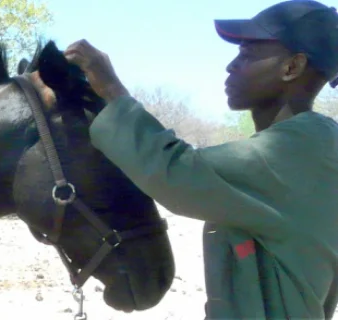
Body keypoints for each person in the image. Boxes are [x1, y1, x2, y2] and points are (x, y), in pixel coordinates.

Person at [62, 1, 338, 319]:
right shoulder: (317, 143)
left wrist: (110, 88)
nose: (231, 66)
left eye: (247, 54)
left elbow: (176, 171)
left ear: (292, 67)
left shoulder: (298, 148)